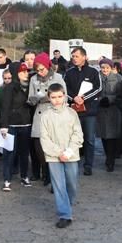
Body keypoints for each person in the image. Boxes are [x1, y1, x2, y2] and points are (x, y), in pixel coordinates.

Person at [39, 83, 84, 228]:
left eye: (59, 96)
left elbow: (78, 134)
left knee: (71, 183)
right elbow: (44, 138)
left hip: (71, 154)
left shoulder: (72, 113)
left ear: (64, 96)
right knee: (58, 185)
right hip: (53, 156)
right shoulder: (45, 116)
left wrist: (68, 152)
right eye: (53, 97)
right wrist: (58, 153)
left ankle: (67, 205)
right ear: (49, 98)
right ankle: (65, 214)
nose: (57, 100)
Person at [29, 53, 66, 186]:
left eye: (42, 69)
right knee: (39, 147)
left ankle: (53, 176)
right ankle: (45, 172)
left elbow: (65, 96)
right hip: (39, 114)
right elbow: (30, 98)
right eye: (37, 70)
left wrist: (49, 98)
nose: (40, 72)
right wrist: (35, 98)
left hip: (54, 113)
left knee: (53, 146)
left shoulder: (57, 77)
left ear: (47, 66)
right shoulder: (34, 79)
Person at [64, 46, 102, 175]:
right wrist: (73, 98)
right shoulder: (69, 73)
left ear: (84, 57)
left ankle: (88, 165)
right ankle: (73, 161)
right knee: (73, 138)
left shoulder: (93, 72)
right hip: (73, 111)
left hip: (89, 111)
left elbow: (98, 88)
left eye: (77, 56)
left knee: (89, 139)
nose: (74, 59)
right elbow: (64, 89)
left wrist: (83, 98)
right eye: (73, 56)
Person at [0, 62, 33, 191]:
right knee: (9, 153)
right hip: (12, 124)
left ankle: (24, 176)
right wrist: (4, 125)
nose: (26, 74)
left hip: (26, 123)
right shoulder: (10, 88)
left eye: (26, 71)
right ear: (16, 73)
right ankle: (7, 179)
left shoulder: (30, 86)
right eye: (22, 71)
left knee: (24, 152)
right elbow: (5, 107)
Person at [97, 58, 122, 172]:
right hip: (101, 111)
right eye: (103, 67)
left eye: (107, 67)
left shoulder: (118, 78)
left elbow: (121, 94)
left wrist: (110, 99)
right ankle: (108, 156)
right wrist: (100, 100)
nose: (105, 70)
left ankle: (110, 159)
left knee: (112, 136)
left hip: (114, 111)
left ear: (111, 68)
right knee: (104, 136)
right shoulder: (97, 77)